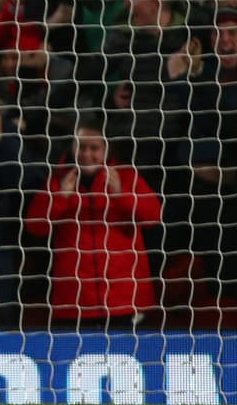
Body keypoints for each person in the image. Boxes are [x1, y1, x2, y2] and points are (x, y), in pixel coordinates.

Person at [25, 116, 161, 329]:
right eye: (81, 147)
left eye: (94, 148)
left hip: (124, 302)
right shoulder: (58, 179)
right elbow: (35, 226)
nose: (86, 155)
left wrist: (121, 195)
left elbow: (154, 217)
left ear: (107, 149)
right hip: (74, 301)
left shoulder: (126, 176)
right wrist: (61, 197)